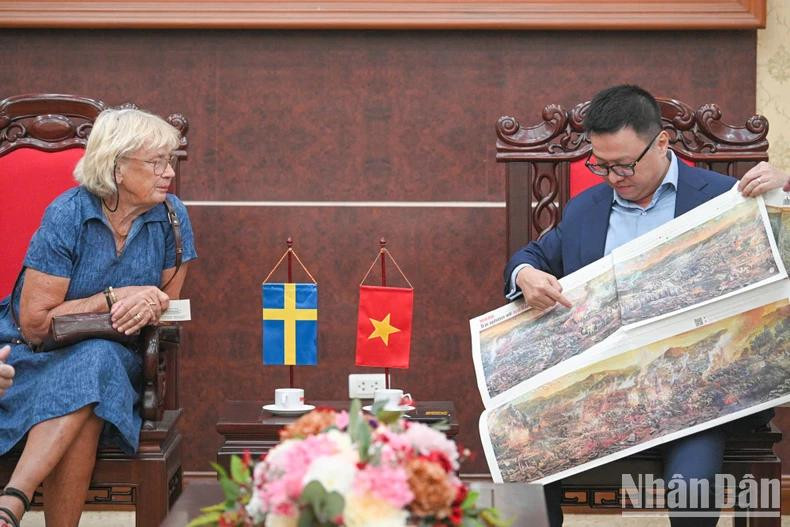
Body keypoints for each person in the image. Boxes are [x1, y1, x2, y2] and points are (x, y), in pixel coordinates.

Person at [504, 85, 775, 527]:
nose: (613, 177)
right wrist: (524, 276)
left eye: (624, 164)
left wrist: (785, 187)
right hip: (598, 392)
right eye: (601, 165)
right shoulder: (584, 210)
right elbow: (531, 257)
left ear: (662, 142)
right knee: (520, 475)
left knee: (692, 495)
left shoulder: (724, 198)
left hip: (691, 392)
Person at [0, 108, 197, 527]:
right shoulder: (68, 213)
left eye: (170, 160)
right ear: (116, 166)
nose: (169, 173)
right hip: (32, 359)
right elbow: (35, 324)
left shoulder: (173, 218)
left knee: (99, 359)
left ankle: (12, 501)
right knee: (92, 375)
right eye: (156, 162)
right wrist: (111, 298)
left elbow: (170, 306)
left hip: (121, 358)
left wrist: (153, 303)